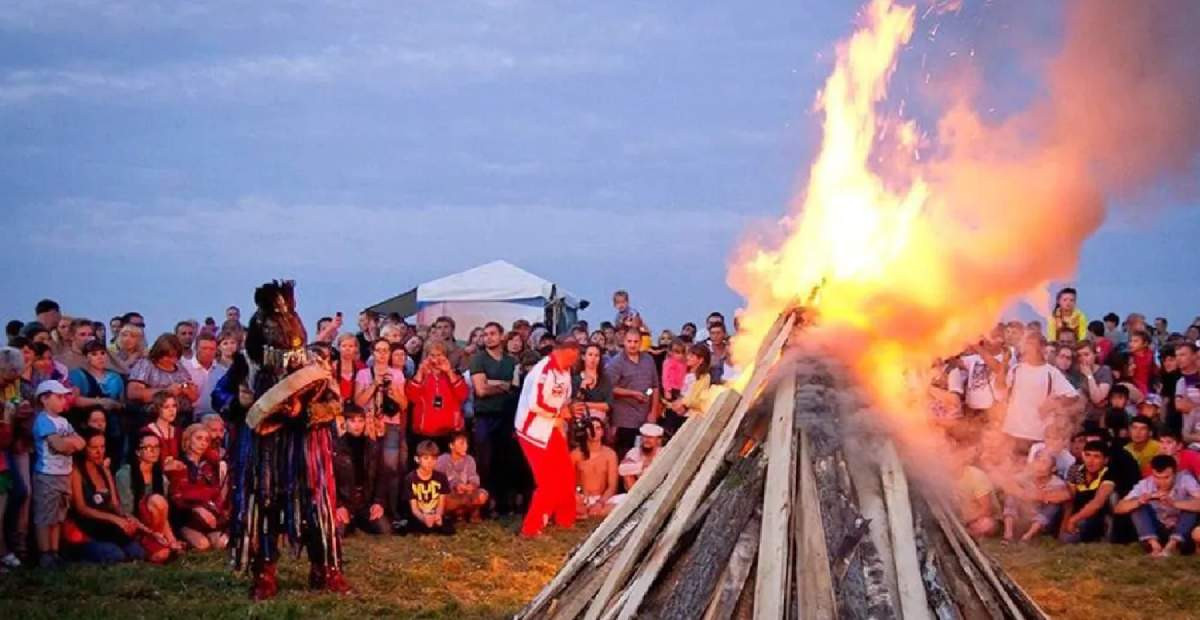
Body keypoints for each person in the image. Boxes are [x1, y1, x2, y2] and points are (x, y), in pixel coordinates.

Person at [227, 280, 349, 599]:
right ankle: (265, 571)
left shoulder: (314, 363)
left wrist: (305, 410)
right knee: (265, 506)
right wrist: (238, 403)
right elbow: (219, 396)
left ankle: (326, 568)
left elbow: (336, 402)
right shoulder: (246, 363)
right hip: (264, 451)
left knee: (315, 508)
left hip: (307, 450)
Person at [514, 339, 579, 538]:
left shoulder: (565, 371)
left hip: (552, 428)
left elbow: (563, 397)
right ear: (563, 352)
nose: (575, 362)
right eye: (573, 357)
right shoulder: (543, 370)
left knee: (566, 473)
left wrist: (565, 410)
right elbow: (535, 403)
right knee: (548, 481)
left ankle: (564, 520)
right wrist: (558, 415)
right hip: (533, 431)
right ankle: (531, 528)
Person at [67, 430, 146, 563]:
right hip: (88, 527)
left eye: (102, 447)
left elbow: (114, 504)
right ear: (84, 448)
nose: (99, 452)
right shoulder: (76, 471)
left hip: (107, 526)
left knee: (138, 553)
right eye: (94, 448)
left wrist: (126, 517)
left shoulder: (104, 470)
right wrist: (113, 518)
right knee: (116, 556)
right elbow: (81, 508)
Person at [31, 380, 86, 568]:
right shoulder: (43, 420)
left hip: (63, 474)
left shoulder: (63, 421)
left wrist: (68, 443)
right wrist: (70, 443)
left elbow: (81, 442)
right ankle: (45, 553)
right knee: (45, 515)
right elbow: (60, 446)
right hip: (47, 474)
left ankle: (54, 551)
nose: (64, 401)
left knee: (58, 515)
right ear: (44, 399)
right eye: (59, 397)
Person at [999, 332, 1081, 454]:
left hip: (1036, 434)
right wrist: (1004, 363)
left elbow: (1073, 396)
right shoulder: (1016, 369)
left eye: (1034, 345)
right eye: (1028, 345)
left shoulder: (1051, 372)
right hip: (1011, 431)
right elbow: (1001, 387)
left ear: (1042, 348)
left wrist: (1053, 404)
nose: (1030, 349)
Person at [354, 339, 407, 522]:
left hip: (391, 423)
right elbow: (358, 402)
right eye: (379, 350)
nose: (383, 354)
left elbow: (404, 404)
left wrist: (393, 389)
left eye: (386, 350)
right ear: (373, 353)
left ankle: (391, 509)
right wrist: (374, 384)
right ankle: (369, 508)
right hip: (369, 424)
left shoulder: (397, 374)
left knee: (391, 467)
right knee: (371, 466)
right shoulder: (362, 374)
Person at [468, 322, 518, 515]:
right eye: (485, 334)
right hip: (484, 417)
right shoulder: (478, 359)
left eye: (492, 334)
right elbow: (480, 390)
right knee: (485, 461)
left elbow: (514, 388)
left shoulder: (511, 361)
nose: (488, 337)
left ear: (501, 336)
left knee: (504, 461)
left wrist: (492, 383)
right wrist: (501, 386)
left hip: (506, 416)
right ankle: (485, 505)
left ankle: (504, 504)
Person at [1113, 454, 1200, 556]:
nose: (1162, 482)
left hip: (1182, 530)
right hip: (1157, 529)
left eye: (1166, 477)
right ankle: (1155, 547)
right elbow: (1118, 508)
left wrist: (1175, 503)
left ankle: (1172, 546)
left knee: (1191, 505)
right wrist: (1140, 501)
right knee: (1137, 506)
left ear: (1175, 473)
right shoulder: (1145, 484)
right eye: (1157, 477)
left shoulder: (1185, 479)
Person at [115, 431, 182, 563]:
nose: (154, 451)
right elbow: (125, 512)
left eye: (157, 447)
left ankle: (163, 542)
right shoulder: (124, 474)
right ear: (137, 452)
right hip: (134, 525)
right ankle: (148, 543)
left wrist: (171, 539)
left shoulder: (160, 477)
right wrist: (151, 533)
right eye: (148, 448)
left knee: (158, 500)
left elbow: (164, 514)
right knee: (160, 555)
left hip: (155, 527)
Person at [167, 423, 227, 552]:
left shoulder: (209, 466)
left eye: (206, 440)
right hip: (186, 516)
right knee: (202, 545)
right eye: (198, 438)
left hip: (208, 513)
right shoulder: (179, 464)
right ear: (188, 440)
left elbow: (216, 492)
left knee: (222, 543)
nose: (203, 443)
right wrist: (197, 506)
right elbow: (177, 497)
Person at [332, 406, 388, 536]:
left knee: (385, 529)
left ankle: (359, 522)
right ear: (344, 423)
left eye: (360, 421)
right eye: (352, 421)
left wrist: (378, 502)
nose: (357, 425)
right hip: (345, 503)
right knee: (339, 532)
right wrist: (338, 505)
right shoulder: (335, 448)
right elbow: (330, 479)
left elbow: (382, 476)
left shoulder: (373, 447)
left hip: (365, 503)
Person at [606, 330, 661, 458]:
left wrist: (653, 411)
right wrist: (631, 393)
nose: (632, 345)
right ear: (624, 342)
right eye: (629, 341)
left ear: (641, 342)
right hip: (624, 419)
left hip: (646, 417)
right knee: (626, 455)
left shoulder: (648, 359)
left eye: (636, 342)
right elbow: (609, 388)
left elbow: (654, 387)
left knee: (645, 456)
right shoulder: (616, 362)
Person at [405, 340, 468, 452]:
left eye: (439, 355)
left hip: (448, 432)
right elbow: (412, 397)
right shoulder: (420, 375)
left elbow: (462, 395)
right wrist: (420, 372)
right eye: (432, 355)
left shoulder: (454, 375)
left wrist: (449, 372)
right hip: (424, 432)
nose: (436, 359)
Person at [127, 334, 198, 427]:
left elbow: (194, 396)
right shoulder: (145, 365)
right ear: (159, 353)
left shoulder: (179, 367)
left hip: (181, 417)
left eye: (175, 357)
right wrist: (166, 391)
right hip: (153, 418)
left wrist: (188, 390)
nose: (172, 360)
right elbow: (133, 393)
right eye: (168, 357)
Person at [1001, 452, 1069, 543]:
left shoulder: (1057, 483)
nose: (1039, 466)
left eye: (1044, 462)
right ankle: (1008, 534)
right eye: (1037, 461)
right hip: (1023, 516)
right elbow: (1007, 484)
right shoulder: (1026, 476)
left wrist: (1035, 495)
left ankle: (1028, 536)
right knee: (1011, 497)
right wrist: (1024, 494)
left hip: (1044, 522)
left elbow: (1064, 496)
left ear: (1053, 468)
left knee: (1053, 506)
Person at [1060, 440, 1117, 543]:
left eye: (1096, 457)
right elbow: (1070, 500)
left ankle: (1105, 535)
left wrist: (1073, 520)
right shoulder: (1075, 470)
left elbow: (1097, 503)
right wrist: (1065, 523)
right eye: (1087, 455)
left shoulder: (1109, 472)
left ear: (1105, 460)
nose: (1090, 461)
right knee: (1065, 538)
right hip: (1077, 514)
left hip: (1099, 516)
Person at [661, 344, 714, 438]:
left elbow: (700, 400)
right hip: (673, 413)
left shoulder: (704, 377)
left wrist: (683, 403)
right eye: (688, 355)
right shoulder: (682, 372)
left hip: (690, 417)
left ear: (701, 360)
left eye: (692, 356)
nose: (688, 358)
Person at [402, 440, 454, 535]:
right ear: (417, 459)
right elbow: (414, 509)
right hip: (419, 515)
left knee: (447, 528)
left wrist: (438, 515)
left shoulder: (441, 477)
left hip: (434, 513)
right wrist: (423, 517)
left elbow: (441, 503)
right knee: (413, 527)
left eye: (433, 459)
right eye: (426, 458)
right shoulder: (410, 479)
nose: (430, 462)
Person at [571, 417, 620, 518]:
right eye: (590, 428)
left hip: (603, 499)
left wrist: (600, 503)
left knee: (624, 501)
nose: (594, 431)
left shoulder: (610, 454)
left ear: (602, 432)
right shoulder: (575, 454)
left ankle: (590, 513)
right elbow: (568, 482)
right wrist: (578, 497)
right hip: (582, 498)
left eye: (597, 428)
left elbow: (612, 486)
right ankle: (585, 512)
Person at [436, 432, 488, 523]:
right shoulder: (443, 460)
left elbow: (473, 476)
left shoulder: (469, 460)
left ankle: (469, 513)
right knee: (444, 499)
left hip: (465, 494)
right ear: (451, 445)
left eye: (466, 443)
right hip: (450, 495)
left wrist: (471, 485)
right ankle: (455, 514)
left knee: (482, 495)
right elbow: (438, 481)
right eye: (461, 443)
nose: (465, 446)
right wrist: (455, 485)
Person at [572, 343, 613, 425]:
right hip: (580, 422)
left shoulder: (605, 379)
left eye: (596, 355)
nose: (593, 358)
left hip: (601, 422)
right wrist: (583, 385)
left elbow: (608, 405)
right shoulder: (575, 379)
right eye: (590, 355)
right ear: (583, 357)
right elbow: (576, 403)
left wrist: (586, 404)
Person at [619, 423, 664, 491]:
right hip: (638, 490)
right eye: (644, 437)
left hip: (659, 489)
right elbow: (622, 469)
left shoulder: (664, 452)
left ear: (658, 440)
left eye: (650, 437)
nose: (646, 440)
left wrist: (637, 467)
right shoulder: (634, 452)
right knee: (628, 476)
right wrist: (643, 465)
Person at [184, 333, 220, 416]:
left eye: (212, 349)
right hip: (190, 417)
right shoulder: (185, 368)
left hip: (217, 417)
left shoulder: (222, 371)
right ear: (196, 348)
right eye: (204, 348)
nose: (208, 352)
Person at [141, 392, 182, 465]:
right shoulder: (146, 431)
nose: (171, 410)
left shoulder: (178, 432)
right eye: (166, 407)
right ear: (157, 409)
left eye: (174, 406)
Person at [1126, 330, 1156, 396]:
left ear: (1145, 343)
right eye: (1131, 341)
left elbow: (1154, 371)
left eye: (1135, 341)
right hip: (1133, 389)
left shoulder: (1150, 355)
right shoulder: (1128, 357)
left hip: (1149, 389)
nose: (1131, 344)